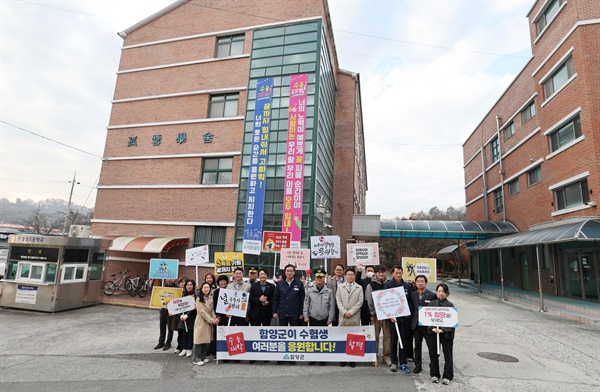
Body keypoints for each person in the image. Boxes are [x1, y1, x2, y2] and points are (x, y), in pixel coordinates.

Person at [384, 265, 414, 374]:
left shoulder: (407, 286)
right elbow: (384, 301)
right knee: (393, 340)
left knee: (403, 340)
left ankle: (403, 361)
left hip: (404, 319)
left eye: (400, 273)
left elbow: (410, 301)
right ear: (392, 273)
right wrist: (389, 316)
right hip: (393, 319)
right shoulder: (388, 285)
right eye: (396, 273)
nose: (398, 275)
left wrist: (408, 312)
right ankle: (394, 361)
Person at [426, 283, 455, 385]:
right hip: (433, 333)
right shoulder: (432, 304)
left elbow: (452, 323)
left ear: (447, 293)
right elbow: (427, 319)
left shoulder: (450, 305)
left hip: (446, 334)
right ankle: (434, 374)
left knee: (448, 355)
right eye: (439, 291)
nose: (441, 293)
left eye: (443, 292)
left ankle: (448, 376)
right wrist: (432, 328)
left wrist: (443, 330)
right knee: (433, 354)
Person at [336, 267, 363, 368]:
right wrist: (344, 312)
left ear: (354, 276)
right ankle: (343, 359)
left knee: (353, 339)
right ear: (345, 276)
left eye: (352, 275)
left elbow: (360, 301)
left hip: (354, 316)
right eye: (348, 275)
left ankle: (352, 359)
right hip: (343, 316)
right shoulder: (340, 287)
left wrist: (350, 312)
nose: (350, 276)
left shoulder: (359, 288)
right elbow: (338, 300)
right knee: (343, 338)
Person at [410, 274, 437, 374]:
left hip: (427, 325)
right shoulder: (412, 294)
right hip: (416, 324)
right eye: (418, 281)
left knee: (431, 345)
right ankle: (418, 365)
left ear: (426, 283)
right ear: (415, 283)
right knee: (417, 345)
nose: (420, 283)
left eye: (422, 281)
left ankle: (433, 365)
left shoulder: (432, 295)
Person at [365, 265, 391, 367]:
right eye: (378, 272)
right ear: (375, 273)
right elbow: (368, 301)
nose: (381, 274)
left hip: (387, 315)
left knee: (387, 336)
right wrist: (371, 314)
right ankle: (374, 355)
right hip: (375, 315)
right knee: (375, 336)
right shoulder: (370, 285)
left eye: (383, 272)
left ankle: (386, 356)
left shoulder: (389, 284)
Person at [193, 282, 219, 366]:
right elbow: (201, 312)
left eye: (208, 287)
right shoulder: (198, 299)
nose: (206, 289)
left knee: (206, 340)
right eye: (205, 287)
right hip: (201, 321)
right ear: (201, 289)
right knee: (199, 340)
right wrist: (211, 320)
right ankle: (196, 358)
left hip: (209, 322)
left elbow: (211, 310)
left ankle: (203, 357)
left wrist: (215, 318)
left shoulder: (210, 298)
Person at [155, 279, 178, 351]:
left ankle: (168, 343)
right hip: (163, 310)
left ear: (174, 279)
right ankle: (161, 342)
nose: (169, 281)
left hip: (171, 311)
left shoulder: (177, 288)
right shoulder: (163, 287)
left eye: (171, 279)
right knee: (162, 327)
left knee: (170, 328)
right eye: (168, 279)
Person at [211, 274, 230, 357]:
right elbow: (214, 305)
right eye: (221, 281)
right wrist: (217, 315)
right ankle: (216, 352)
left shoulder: (230, 290)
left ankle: (226, 351)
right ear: (218, 283)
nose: (223, 282)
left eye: (224, 281)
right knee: (217, 334)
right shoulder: (216, 292)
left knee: (227, 333)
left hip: (228, 316)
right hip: (219, 316)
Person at [178, 279, 197, 358]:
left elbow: (194, 307)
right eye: (188, 285)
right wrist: (181, 315)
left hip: (191, 317)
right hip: (183, 317)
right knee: (183, 333)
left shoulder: (195, 295)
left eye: (191, 285)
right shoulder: (183, 294)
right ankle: (184, 348)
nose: (189, 286)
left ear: (193, 286)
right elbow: (178, 306)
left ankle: (189, 348)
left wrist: (188, 315)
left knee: (190, 333)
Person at [171, 277, 187, 354]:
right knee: (180, 331)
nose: (183, 284)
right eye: (181, 282)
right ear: (179, 284)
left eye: (184, 282)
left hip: (186, 315)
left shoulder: (188, 292)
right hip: (178, 314)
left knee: (185, 331)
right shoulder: (176, 292)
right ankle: (179, 346)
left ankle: (185, 346)